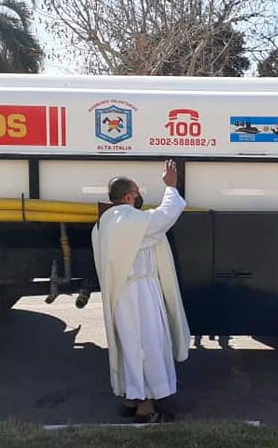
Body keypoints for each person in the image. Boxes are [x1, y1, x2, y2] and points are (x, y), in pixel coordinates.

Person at [91, 160, 190, 423]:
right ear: (127, 197)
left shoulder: (102, 224)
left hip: (122, 294)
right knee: (151, 345)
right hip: (141, 292)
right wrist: (171, 186)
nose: (139, 196)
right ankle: (150, 405)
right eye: (135, 192)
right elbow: (166, 215)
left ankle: (132, 397)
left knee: (130, 345)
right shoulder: (129, 220)